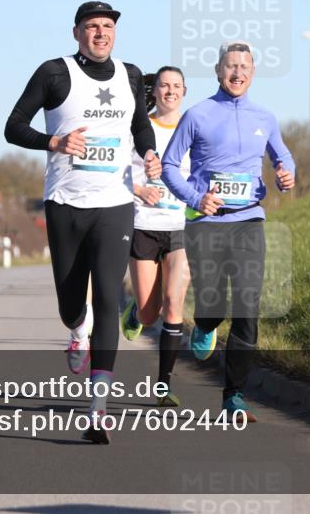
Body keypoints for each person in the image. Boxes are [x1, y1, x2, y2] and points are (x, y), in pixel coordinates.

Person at [4, 1, 161, 443]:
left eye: (107, 27)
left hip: (114, 205)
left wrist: (148, 153)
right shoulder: (54, 74)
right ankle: (77, 327)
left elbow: (140, 125)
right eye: (91, 27)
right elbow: (13, 127)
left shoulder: (131, 75)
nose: (100, 34)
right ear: (76, 33)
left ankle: (98, 408)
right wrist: (53, 140)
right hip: (65, 204)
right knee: (72, 303)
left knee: (110, 297)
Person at [161, 41, 295, 422]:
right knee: (214, 304)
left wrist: (287, 175)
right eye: (231, 66)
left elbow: (282, 155)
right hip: (206, 224)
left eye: (245, 67)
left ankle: (233, 395)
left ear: (253, 74)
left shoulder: (265, 117)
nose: (238, 73)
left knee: (248, 307)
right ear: (219, 71)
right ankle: (204, 323)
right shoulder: (197, 114)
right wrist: (196, 197)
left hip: (249, 219)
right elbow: (170, 166)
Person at [121, 66, 192, 407]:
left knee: (174, 304)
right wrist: (138, 191)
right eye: (164, 85)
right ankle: (136, 312)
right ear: (155, 91)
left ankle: (163, 386)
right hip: (144, 225)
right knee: (151, 315)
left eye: (176, 86)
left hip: (178, 227)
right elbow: (116, 174)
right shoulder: (139, 129)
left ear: (184, 91)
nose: (170, 91)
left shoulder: (193, 130)